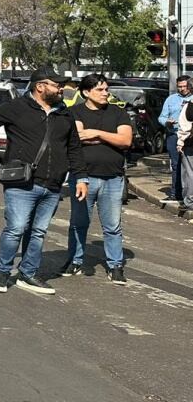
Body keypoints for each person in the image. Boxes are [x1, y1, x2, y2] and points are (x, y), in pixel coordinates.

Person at [0, 68, 88, 295]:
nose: (61, 88)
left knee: (39, 231)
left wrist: (81, 177)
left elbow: (74, 148)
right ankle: (2, 273)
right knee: (16, 228)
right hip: (22, 182)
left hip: (52, 184)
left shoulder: (64, 113)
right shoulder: (17, 108)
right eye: (56, 84)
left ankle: (28, 274)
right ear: (40, 87)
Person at [64, 74, 133, 283]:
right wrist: (110, 138)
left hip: (113, 178)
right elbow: (77, 138)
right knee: (79, 223)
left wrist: (96, 133)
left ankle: (115, 265)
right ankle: (75, 261)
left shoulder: (118, 113)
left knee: (112, 226)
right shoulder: (74, 112)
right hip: (83, 177)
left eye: (106, 89)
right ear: (86, 92)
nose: (105, 93)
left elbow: (125, 140)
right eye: (100, 90)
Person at [158, 75, 192, 204]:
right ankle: (175, 193)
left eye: (185, 86)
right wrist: (167, 122)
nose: (182, 89)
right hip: (174, 134)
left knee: (190, 166)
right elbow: (161, 117)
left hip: (189, 136)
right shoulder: (171, 99)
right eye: (180, 86)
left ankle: (189, 194)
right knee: (176, 165)